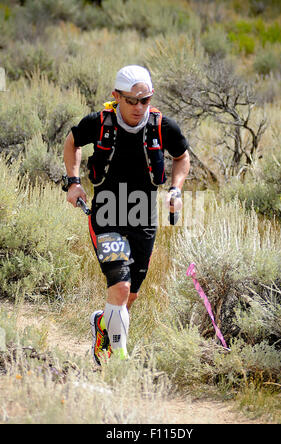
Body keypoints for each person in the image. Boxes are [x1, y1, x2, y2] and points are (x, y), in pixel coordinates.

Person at [63, 65, 190, 365]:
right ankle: (118, 361)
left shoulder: (162, 127)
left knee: (128, 296)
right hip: (106, 215)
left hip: (144, 218)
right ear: (116, 97)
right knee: (119, 286)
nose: (138, 107)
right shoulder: (99, 122)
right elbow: (72, 143)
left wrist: (176, 189)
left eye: (144, 100)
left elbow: (182, 157)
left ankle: (102, 324)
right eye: (131, 101)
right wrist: (73, 182)